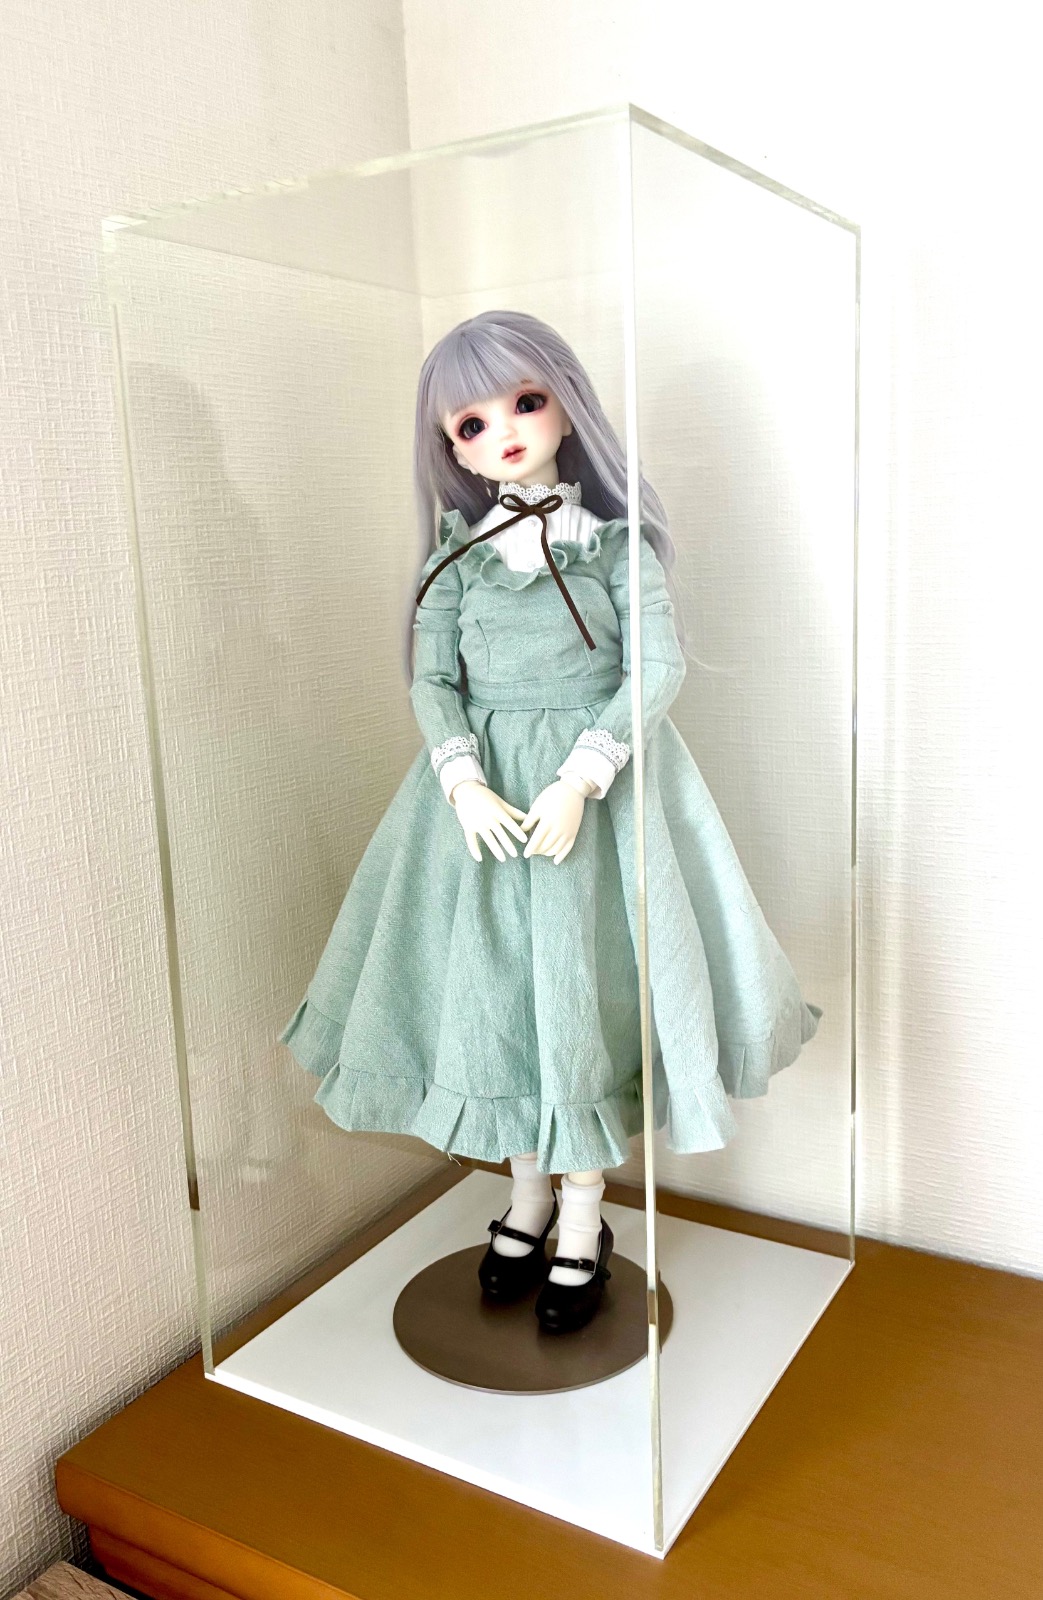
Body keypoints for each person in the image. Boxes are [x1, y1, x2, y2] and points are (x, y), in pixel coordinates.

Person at [279, 309, 822, 1335]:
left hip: (599, 797)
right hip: (481, 805)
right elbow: (431, 678)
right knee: (493, 997)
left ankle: (582, 1212)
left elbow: (653, 667)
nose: (503, 431)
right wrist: (459, 779)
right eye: (470, 423)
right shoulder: (455, 561)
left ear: (567, 409)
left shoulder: (615, 550)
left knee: (582, 990)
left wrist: (583, 773)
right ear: (450, 449)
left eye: (525, 402)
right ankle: (525, 1193)